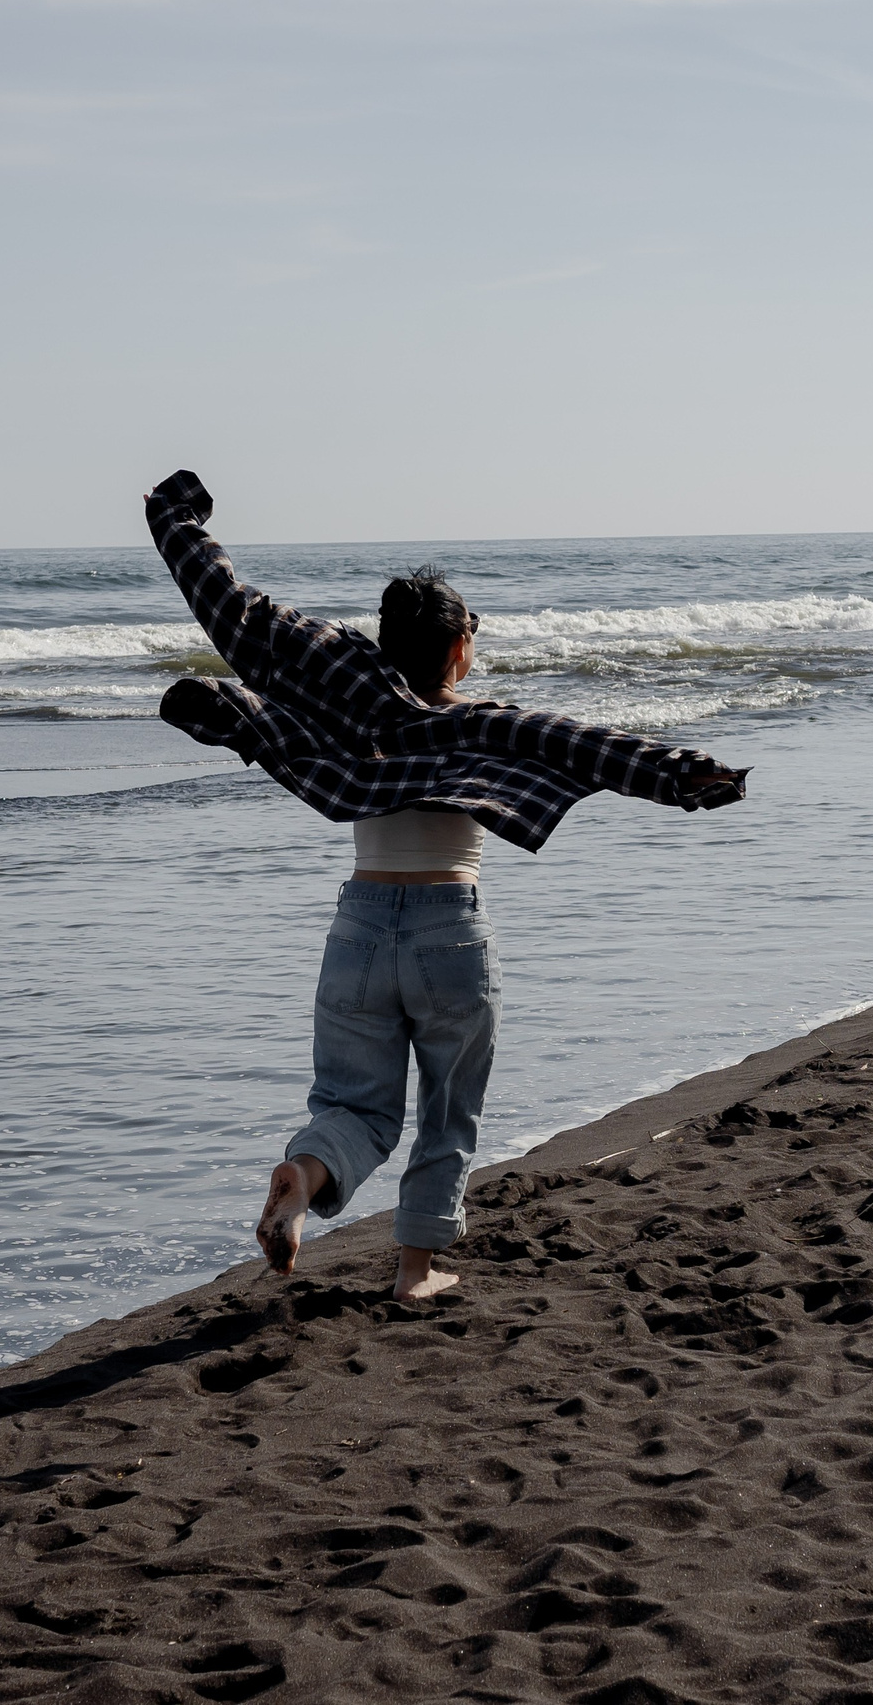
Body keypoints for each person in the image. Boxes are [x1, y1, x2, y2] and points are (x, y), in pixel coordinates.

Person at [144, 471, 747, 1302]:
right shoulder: (486, 722)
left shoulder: (343, 686)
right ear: (461, 646)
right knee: (446, 1112)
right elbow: (596, 749)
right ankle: (415, 1271)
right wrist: (695, 778)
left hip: (358, 928)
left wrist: (175, 515)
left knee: (355, 1106)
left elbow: (231, 606)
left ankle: (305, 1174)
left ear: (386, 639)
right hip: (448, 931)